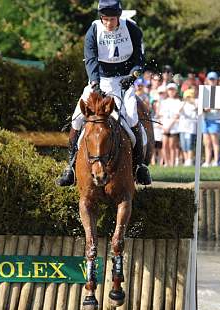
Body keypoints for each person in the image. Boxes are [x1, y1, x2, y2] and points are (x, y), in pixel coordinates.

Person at [57, 0, 151, 186]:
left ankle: (140, 166)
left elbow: (139, 60)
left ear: (119, 17)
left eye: (112, 19)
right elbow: (91, 60)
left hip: (124, 81)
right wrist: (95, 82)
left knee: (132, 117)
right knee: (77, 119)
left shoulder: (132, 29)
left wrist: (133, 76)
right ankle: (70, 166)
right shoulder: (93, 31)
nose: (108, 23)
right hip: (99, 80)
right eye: (105, 19)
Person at [201, 71, 220, 167]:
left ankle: (216, 161)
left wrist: (212, 107)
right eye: (210, 79)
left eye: (214, 79)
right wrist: (204, 108)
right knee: (207, 142)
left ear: (217, 80)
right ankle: (207, 161)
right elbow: (201, 106)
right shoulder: (204, 91)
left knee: (215, 141)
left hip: (215, 119)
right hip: (205, 119)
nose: (212, 81)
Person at [160, 83, 182, 166]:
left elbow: (176, 116)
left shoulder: (178, 102)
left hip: (173, 127)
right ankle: (167, 162)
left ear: (176, 91)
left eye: (173, 90)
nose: (171, 91)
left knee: (172, 146)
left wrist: (169, 126)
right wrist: (163, 126)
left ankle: (172, 163)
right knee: (164, 145)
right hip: (165, 126)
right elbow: (161, 115)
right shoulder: (164, 102)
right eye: (169, 89)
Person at [178, 88, 198, 166]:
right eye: (187, 97)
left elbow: (197, 109)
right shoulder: (182, 103)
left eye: (189, 96)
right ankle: (186, 159)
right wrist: (184, 103)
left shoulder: (195, 103)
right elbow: (179, 111)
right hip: (182, 127)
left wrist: (193, 102)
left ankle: (190, 160)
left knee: (189, 144)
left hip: (191, 128)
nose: (188, 98)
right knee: (183, 145)